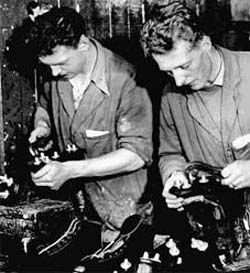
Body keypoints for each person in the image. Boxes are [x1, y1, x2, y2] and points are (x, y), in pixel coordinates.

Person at [25, 5, 153, 269]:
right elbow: (44, 106)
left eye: (61, 63)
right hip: (84, 214)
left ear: (83, 44)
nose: (55, 73)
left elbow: (136, 154)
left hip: (128, 216)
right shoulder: (56, 74)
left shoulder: (126, 80)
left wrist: (71, 170)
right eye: (48, 66)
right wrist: (43, 128)